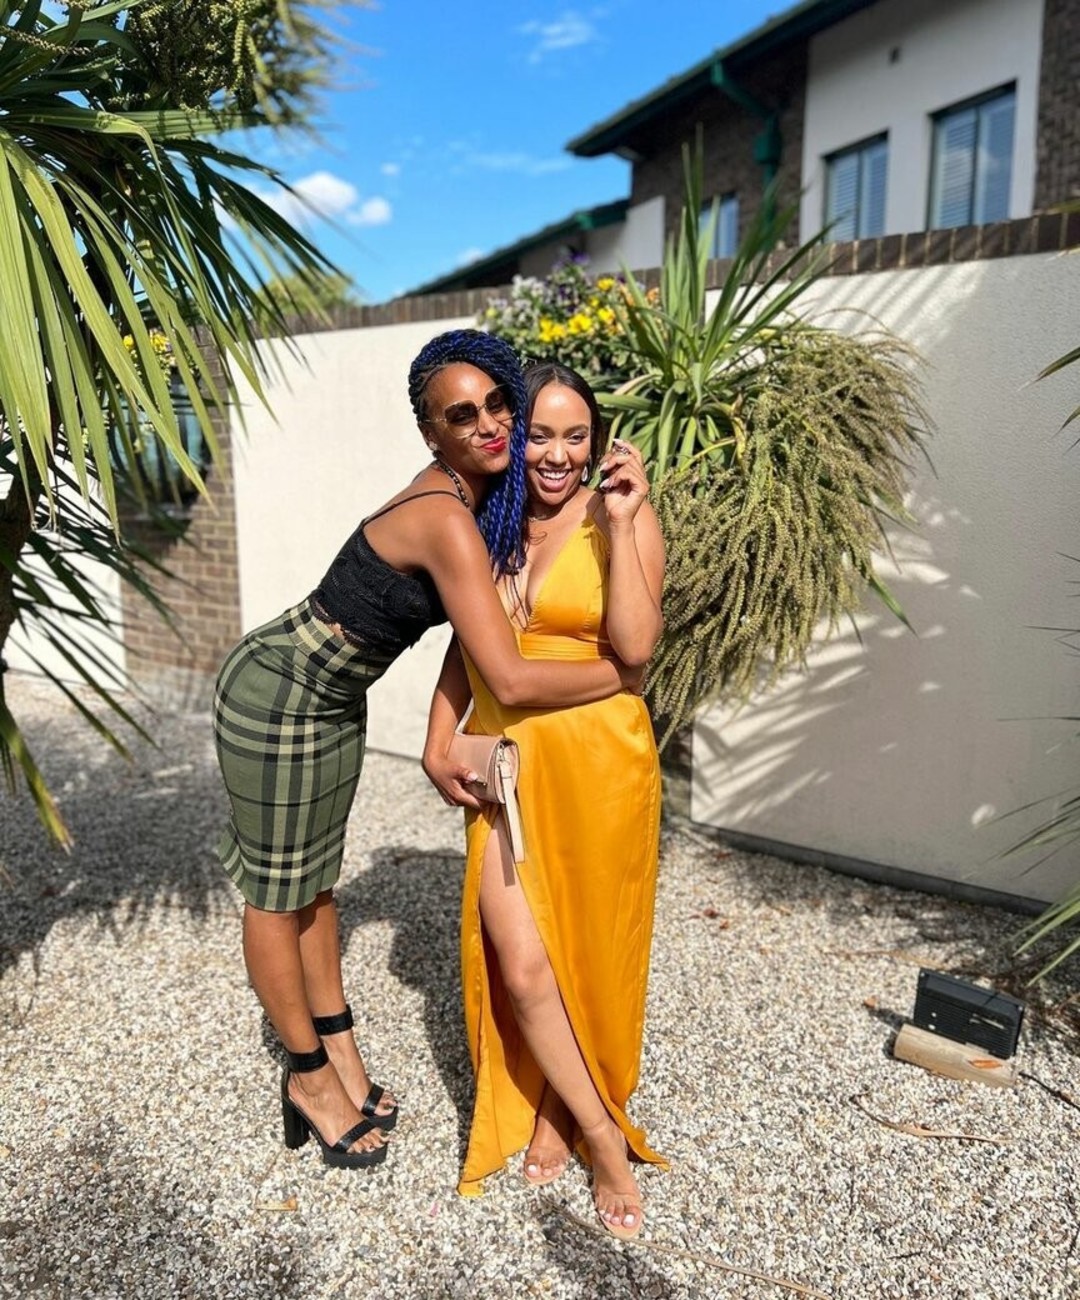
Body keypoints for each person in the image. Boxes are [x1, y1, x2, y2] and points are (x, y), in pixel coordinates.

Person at [213, 332, 641, 1171]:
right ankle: (308, 1078)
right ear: (431, 433)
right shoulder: (448, 516)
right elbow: (507, 675)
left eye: (497, 405)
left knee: (315, 884)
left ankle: (340, 1052)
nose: (488, 425)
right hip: (279, 690)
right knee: (275, 895)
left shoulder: (482, 500)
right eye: (462, 415)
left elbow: (475, 630)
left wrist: (438, 734)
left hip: (333, 696)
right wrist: (620, 676)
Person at [423, 362, 668, 1238]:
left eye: (575, 436)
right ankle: (601, 1134)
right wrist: (436, 736)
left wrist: (626, 521)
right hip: (505, 768)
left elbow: (635, 648)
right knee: (524, 965)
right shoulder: (489, 521)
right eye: (538, 434)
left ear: (595, 444)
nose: (556, 454)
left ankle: (572, 1113)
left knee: (586, 953)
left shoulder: (617, 517)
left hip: (599, 766)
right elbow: (469, 644)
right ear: (512, 436)